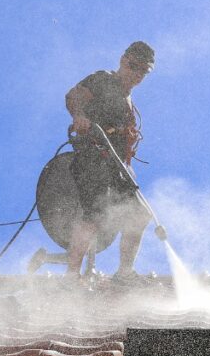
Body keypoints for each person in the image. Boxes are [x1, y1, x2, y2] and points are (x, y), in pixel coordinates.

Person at [64, 41, 155, 281]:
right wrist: (80, 116)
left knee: (140, 214)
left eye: (142, 71)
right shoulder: (104, 79)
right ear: (123, 60)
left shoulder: (128, 103)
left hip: (117, 168)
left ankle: (125, 273)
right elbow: (74, 96)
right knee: (94, 213)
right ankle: (71, 277)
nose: (135, 74)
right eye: (133, 66)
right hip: (93, 158)